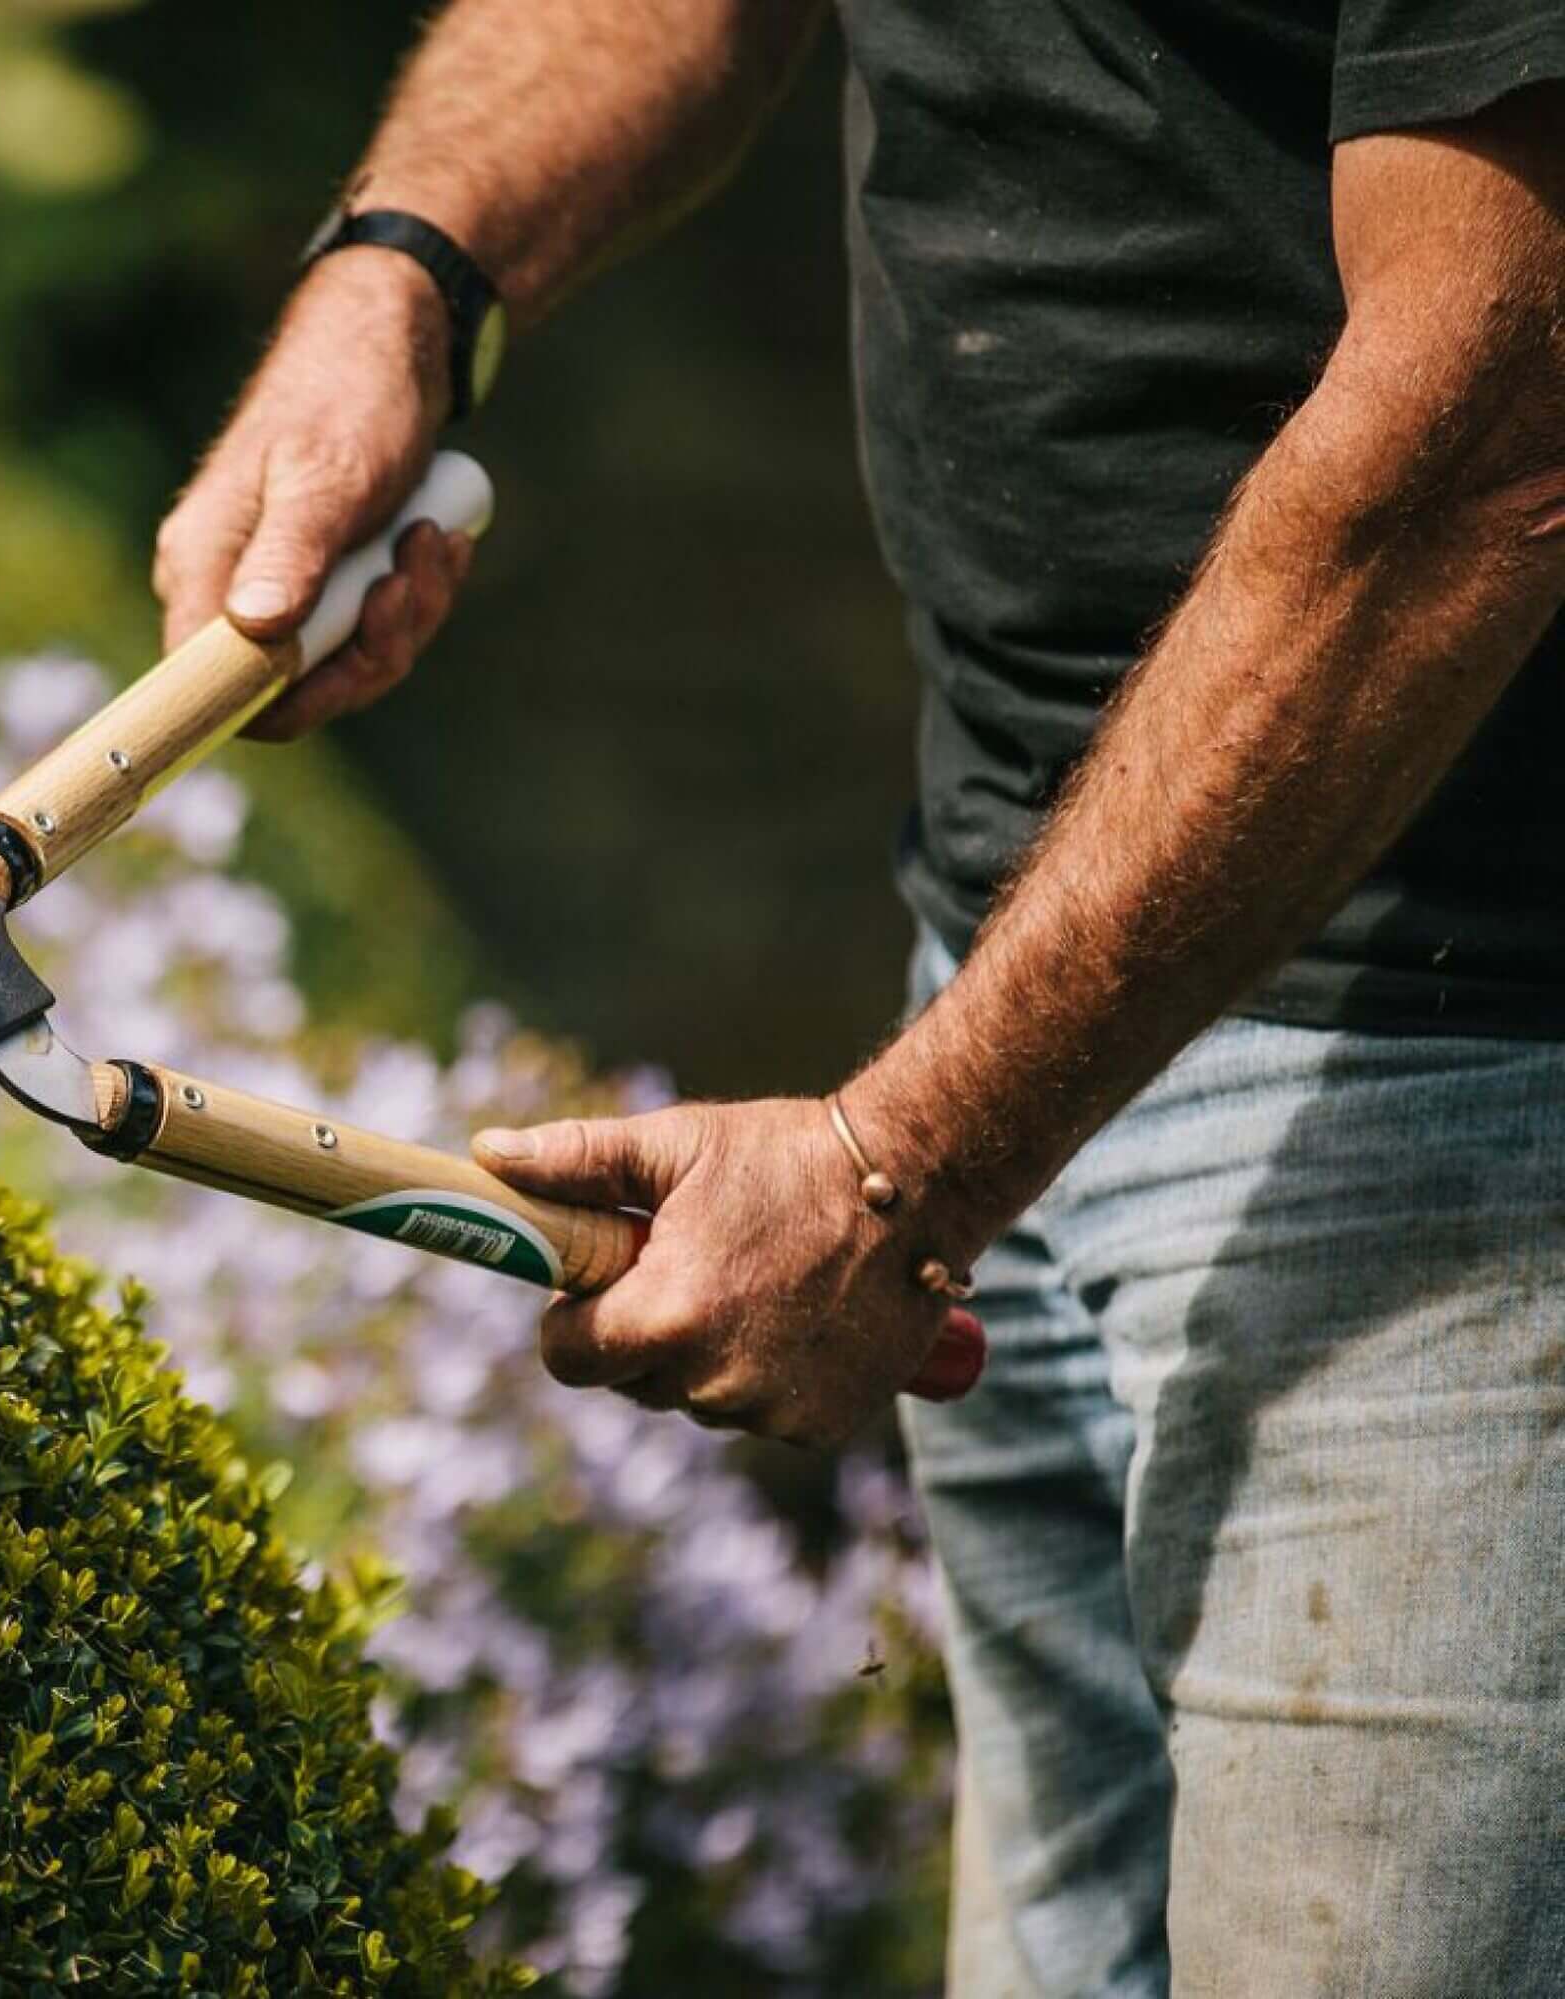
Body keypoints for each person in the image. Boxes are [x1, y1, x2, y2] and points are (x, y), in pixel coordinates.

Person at [156, 3, 1565, 1992]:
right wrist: (409, 269)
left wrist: (904, 1167)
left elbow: (1487, 452)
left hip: (1472, 1104)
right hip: (1018, 992)